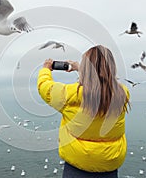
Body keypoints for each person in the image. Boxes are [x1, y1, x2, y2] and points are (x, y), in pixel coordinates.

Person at [37, 45, 130, 178]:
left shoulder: (70, 95)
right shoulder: (121, 95)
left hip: (77, 170)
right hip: (109, 168)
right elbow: (101, 82)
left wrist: (46, 69)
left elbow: (44, 87)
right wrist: (79, 68)